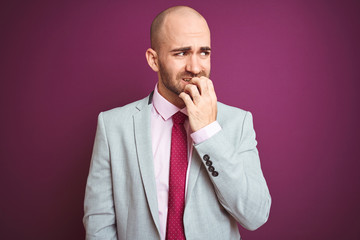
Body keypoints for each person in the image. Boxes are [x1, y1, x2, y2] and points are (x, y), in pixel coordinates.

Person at [83, 6, 271, 240]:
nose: (195, 67)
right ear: (154, 59)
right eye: (181, 53)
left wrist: (208, 132)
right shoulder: (113, 126)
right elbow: (99, 224)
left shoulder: (238, 122)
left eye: (204, 52)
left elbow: (255, 215)